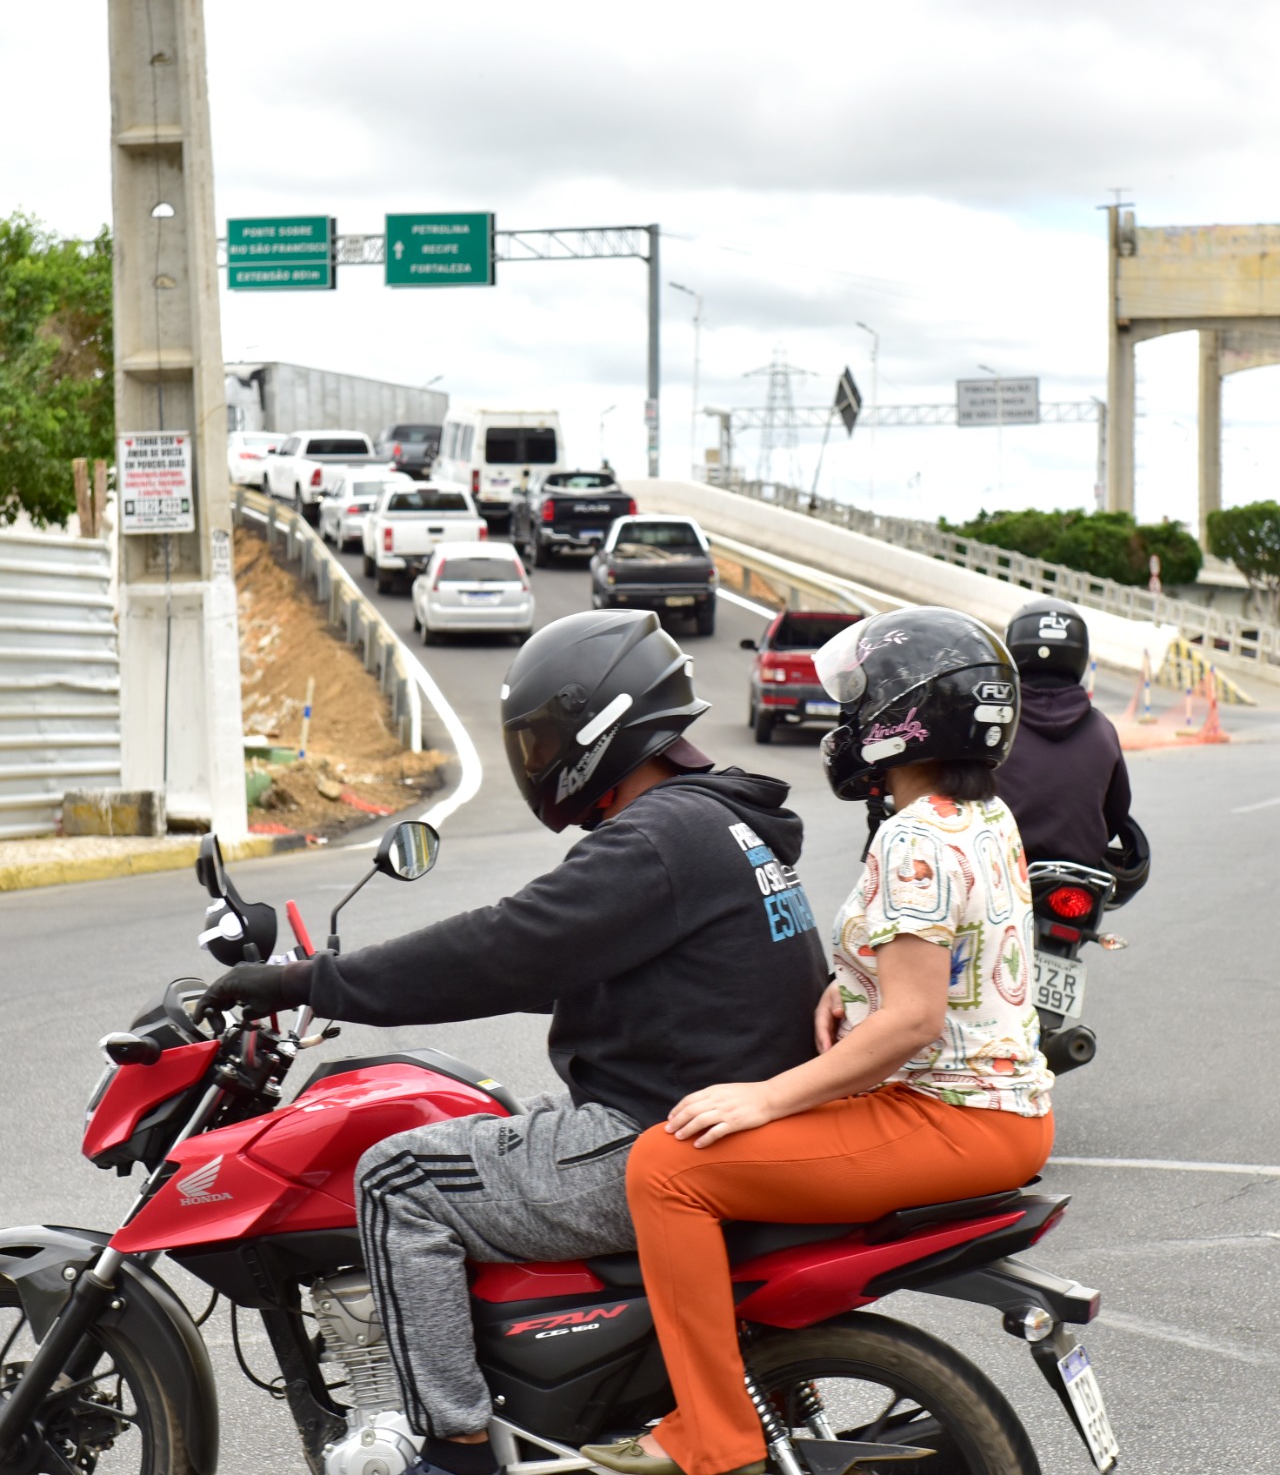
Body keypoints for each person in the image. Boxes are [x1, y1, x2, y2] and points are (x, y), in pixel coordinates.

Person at [197, 608, 828, 1475]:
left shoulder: (657, 839)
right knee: (487, 1116)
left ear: (602, 725)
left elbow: (504, 946)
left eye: (545, 738)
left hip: (661, 1130)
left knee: (398, 1178)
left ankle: (453, 1451)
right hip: (717, 1115)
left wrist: (309, 982)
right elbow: (629, 975)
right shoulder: (722, 823)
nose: (540, 760)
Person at [584, 607, 1054, 1475]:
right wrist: (854, 980)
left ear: (903, 716)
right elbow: (962, 959)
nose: (848, 723)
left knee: (666, 1169)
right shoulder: (983, 819)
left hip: (948, 1116)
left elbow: (914, 1020)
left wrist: (764, 1096)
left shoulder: (915, 837)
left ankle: (714, 1432)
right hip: (1001, 1112)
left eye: (858, 704)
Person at [995, 596, 1132, 868]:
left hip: (1005, 874)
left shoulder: (995, 725)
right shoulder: (1102, 730)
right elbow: (1116, 813)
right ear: (1079, 654)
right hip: (1080, 874)